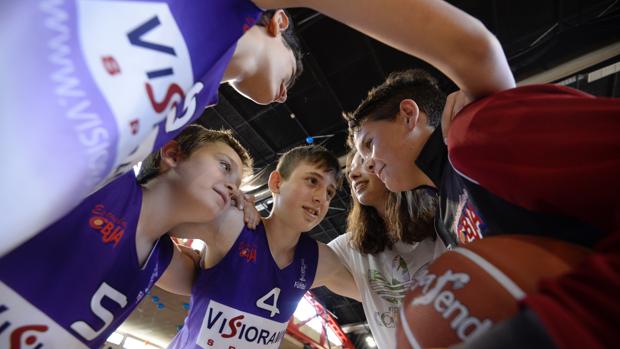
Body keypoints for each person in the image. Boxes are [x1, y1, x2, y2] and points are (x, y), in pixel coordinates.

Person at [1, 3, 303, 255]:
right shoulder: (223, 11)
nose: (284, 95)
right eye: (289, 77)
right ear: (278, 21)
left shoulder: (196, 99)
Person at [0, 125, 257, 348]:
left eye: (238, 185)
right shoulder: (106, 181)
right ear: (172, 155)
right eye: (224, 166)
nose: (234, 188)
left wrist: (238, 224)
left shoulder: (163, 256)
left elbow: (222, 282)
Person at [155, 145, 362, 349]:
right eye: (312, 181)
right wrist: (183, 258)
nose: (321, 198)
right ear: (276, 182)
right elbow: (153, 215)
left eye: (330, 193)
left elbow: (377, 299)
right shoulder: (232, 225)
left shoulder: (320, 260)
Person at [328, 150, 446, 349]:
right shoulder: (349, 247)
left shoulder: (444, 219)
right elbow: (288, 260)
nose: (352, 174)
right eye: (350, 170)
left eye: (364, 162)